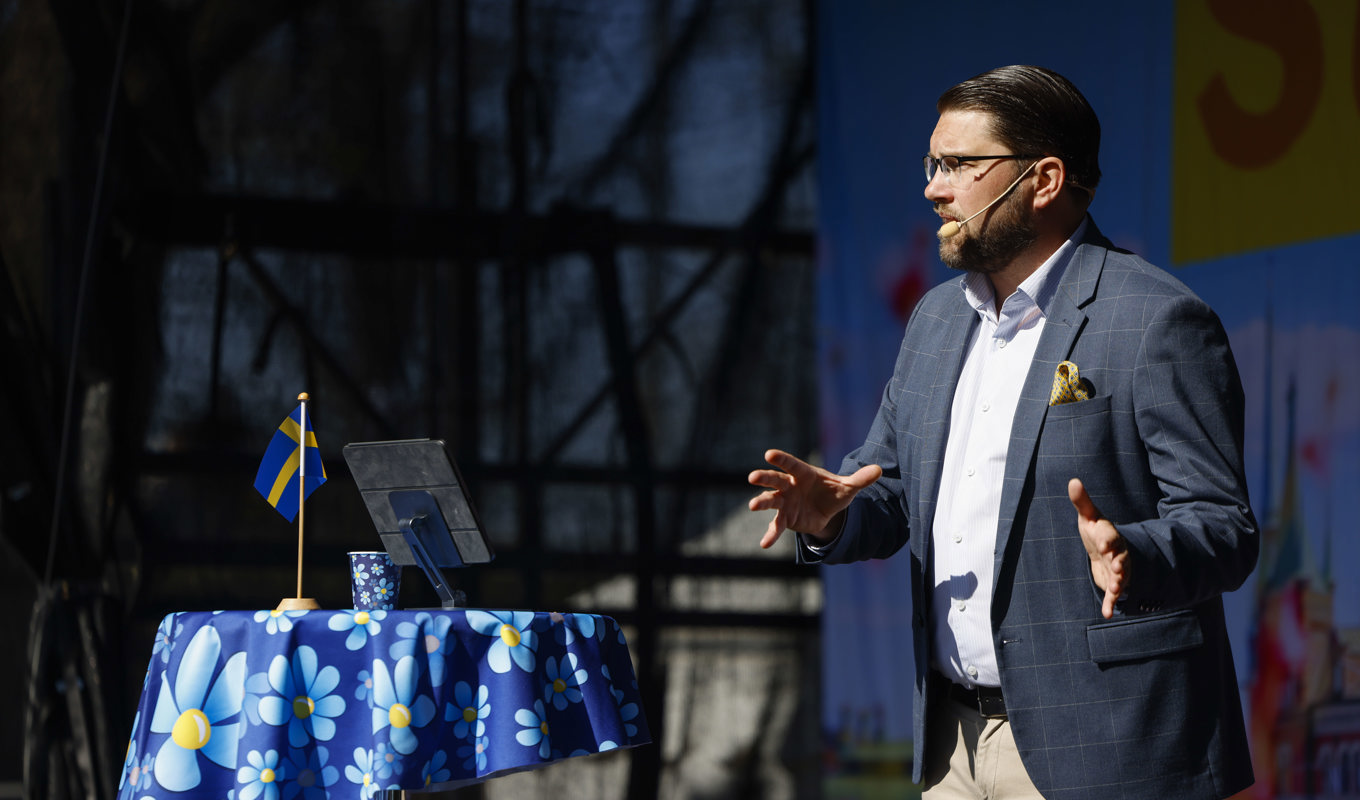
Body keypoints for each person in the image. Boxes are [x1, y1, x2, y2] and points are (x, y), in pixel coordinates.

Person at [748, 65, 1257, 800]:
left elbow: (1224, 527)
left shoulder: (1155, 319)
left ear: (1043, 180)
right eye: (933, 163)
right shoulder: (934, 320)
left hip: (1109, 744)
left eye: (960, 165)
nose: (934, 187)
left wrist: (1134, 555)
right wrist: (834, 514)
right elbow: (888, 488)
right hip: (951, 745)